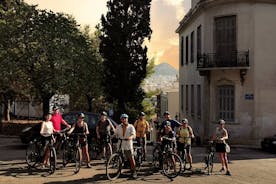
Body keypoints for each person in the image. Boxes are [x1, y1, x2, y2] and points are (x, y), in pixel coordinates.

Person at [115, 113, 137, 179]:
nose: (124, 120)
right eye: (122, 118)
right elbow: (116, 133)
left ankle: (134, 172)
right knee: (119, 158)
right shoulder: (118, 126)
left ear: (127, 119)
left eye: (125, 118)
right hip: (120, 144)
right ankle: (119, 171)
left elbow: (134, 134)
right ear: (121, 120)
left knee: (131, 158)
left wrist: (130, 137)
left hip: (128, 144)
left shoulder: (131, 126)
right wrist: (113, 136)